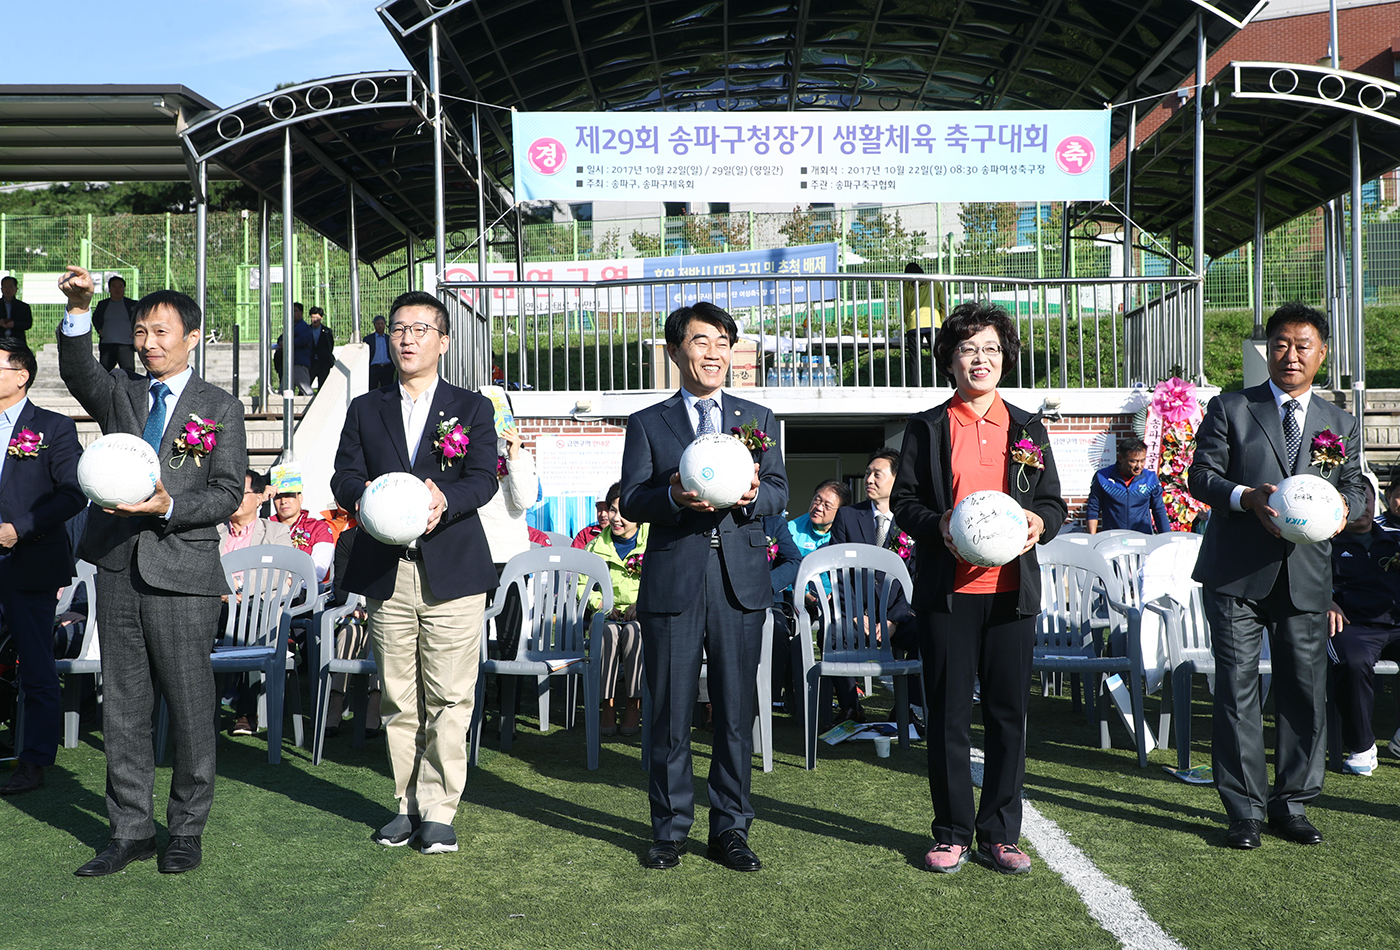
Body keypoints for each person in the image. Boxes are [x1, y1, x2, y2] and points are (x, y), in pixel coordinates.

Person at [57, 264, 247, 877]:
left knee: (191, 705)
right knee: (124, 707)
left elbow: (226, 492)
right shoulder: (124, 392)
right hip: (116, 567)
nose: (149, 343)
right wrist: (81, 309)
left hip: (185, 572)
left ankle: (186, 830)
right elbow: (78, 370)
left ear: (193, 336)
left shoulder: (219, 406)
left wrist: (170, 505)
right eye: (141, 331)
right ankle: (130, 829)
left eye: (161, 331)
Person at [891, 301, 1066, 876]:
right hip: (948, 592)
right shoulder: (926, 426)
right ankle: (951, 831)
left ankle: (1000, 833)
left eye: (991, 349)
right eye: (969, 349)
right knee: (946, 715)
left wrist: (1041, 521)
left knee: (1007, 712)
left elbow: (1052, 501)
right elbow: (905, 502)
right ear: (950, 359)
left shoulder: (1027, 426)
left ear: (1005, 358)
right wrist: (937, 524)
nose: (981, 359)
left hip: (1011, 590)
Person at [1188, 301, 1365, 851]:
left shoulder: (1341, 422)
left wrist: (1342, 508)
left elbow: (1357, 487)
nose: (1291, 355)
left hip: (1307, 580)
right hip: (1237, 576)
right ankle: (1243, 811)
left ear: (1323, 353)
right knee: (1237, 692)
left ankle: (1292, 804)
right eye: (1282, 344)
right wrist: (1246, 497)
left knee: (1304, 692)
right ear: (1269, 350)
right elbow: (1201, 476)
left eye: (1303, 345)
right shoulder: (1231, 407)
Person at [620, 300, 787, 873]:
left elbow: (780, 492)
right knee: (669, 711)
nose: (714, 353)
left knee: (736, 711)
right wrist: (670, 497)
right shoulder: (648, 422)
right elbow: (633, 497)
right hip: (675, 578)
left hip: (741, 580)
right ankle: (669, 829)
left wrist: (752, 497)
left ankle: (731, 830)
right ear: (675, 352)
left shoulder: (758, 418)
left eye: (723, 342)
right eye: (700, 341)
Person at [332, 289, 498, 856]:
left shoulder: (472, 407)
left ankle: (440, 808)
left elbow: (483, 479)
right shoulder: (365, 408)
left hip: (451, 569)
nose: (407, 338)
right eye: (399, 328)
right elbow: (343, 478)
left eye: (421, 329)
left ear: (443, 341)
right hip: (386, 570)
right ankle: (403, 805)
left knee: (451, 695)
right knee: (399, 697)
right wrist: (375, 496)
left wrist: (441, 500)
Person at [0, 339, 86, 796]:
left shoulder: (53, 427)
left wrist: (20, 528)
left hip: (28, 559)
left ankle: (32, 760)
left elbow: (73, 494)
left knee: (34, 664)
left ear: (22, 375)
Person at [831, 447, 923, 726]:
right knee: (833, 630)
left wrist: (895, 617)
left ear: (896, 480)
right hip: (857, 616)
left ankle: (907, 708)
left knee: (929, 632)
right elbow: (838, 571)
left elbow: (917, 576)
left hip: (899, 616)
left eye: (877, 474)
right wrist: (857, 614)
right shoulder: (848, 516)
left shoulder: (913, 520)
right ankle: (850, 708)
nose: (869, 479)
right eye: (867, 473)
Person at [1326, 479, 1400, 776]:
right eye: (1355, 501)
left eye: (1368, 500)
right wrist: (1326, 602)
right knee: (1353, 663)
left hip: (1395, 621)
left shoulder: (1394, 538)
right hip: (1352, 625)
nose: (1364, 508)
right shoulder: (1324, 545)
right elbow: (1306, 583)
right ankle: (1362, 746)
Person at [216, 468, 295, 738]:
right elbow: (202, 570)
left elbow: (283, 573)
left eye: (242, 492)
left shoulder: (274, 531)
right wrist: (224, 592)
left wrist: (240, 588)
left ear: (260, 497)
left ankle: (246, 711)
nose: (234, 498)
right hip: (217, 604)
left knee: (250, 619)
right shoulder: (214, 532)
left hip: (256, 610)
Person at [477, 421, 539, 721]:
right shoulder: (467, 452)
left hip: (511, 559)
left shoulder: (522, 457)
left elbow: (526, 500)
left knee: (509, 638)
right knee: (468, 635)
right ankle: (472, 706)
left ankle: (507, 713)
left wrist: (514, 454)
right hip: (473, 555)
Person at [787, 479, 859, 723]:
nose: (819, 506)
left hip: (834, 601)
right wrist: (805, 595)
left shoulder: (846, 533)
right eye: (817, 499)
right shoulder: (792, 529)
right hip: (797, 599)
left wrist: (835, 595)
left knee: (834, 632)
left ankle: (847, 701)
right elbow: (783, 570)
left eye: (828, 504)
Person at [582, 482, 649, 737]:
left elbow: (662, 581)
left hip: (640, 617)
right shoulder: (595, 546)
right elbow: (581, 585)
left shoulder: (652, 543)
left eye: (625, 512)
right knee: (607, 633)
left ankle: (634, 705)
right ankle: (607, 705)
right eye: (612, 510)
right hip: (606, 616)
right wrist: (601, 605)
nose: (617, 518)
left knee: (634, 633)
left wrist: (641, 605)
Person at [268, 463, 335, 590]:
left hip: (301, 594)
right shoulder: (265, 526)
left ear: (300, 498)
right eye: (278, 497)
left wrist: (287, 584)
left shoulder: (318, 528)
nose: (283, 501)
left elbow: (318, 571)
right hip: (263, 592)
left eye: (288, 495)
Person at [1085, 436, 1171, 534]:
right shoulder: (1102, 477)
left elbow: (1158, 510)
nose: (1139, 466)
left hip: (1142, 538)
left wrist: (1166, 537)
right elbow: (1093, 509)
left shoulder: (1150, 479)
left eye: (1142, 460)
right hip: (1112, 537)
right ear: (1121, 458)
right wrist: (1091, 538)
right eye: (1133, 461)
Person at [902, 262, 945, 386]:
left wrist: (908, 321)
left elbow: (905, 308)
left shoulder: (906, 286)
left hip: (913, 324)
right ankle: (946, 381)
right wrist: (941, 318)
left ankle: (916, 385)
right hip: (933, 322)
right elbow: (943, 303)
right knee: (940, 354)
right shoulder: (934, 282)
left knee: (915, 358)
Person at [93, 275, 138, 375]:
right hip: (107, 345)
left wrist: (137, 330)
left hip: (126, 345)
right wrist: (99, 329)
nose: (117, 289)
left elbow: (142, 319)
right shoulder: (102, 304)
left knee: (129, 374)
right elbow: (95, 318)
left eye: (120, 286)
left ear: (124, 288)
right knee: (103, 374)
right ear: (109, 289)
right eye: (114, 286)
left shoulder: (132, 305)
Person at [272, 302, 314, 394]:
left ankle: (314, 405)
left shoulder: (303, 327)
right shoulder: (291, 326)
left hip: (299, 363)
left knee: (306, 390)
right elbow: (282, 337)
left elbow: (302, 340)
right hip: (290, 364)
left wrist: (286, 343)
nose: (293, 313)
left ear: (301, 313)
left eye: (295, 311)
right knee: (284, 390)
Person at [0, 276, 33, 348]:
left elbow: (28, 324)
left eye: (10, 287)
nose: (7, 289)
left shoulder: (23, 307)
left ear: (16, 289)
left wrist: (14, 324)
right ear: (1, 289)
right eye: (5, 287)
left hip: (17, 341)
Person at [364, 315, 394, 390]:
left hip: (387, 368)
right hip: (374, 369)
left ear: (385, 325)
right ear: (374, 325)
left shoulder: (389, 339)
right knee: (372, 390)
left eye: (382, 323)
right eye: (378, 324)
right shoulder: (368, 339)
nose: (380, 326)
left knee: (387, 390)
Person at [308, 306, 335, 389]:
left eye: (317, 317)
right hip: (311, 363)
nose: (315, 320)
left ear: (321, 318)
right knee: (306, 385)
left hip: (323, 363)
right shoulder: (307, 330)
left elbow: (330, 346)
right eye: (313, 317)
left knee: (323, 387)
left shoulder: (327, 331)